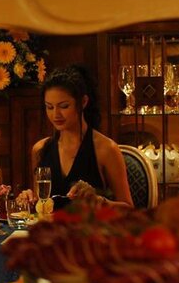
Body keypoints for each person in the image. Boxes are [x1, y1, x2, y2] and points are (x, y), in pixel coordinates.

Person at [23, 65, 133, 208]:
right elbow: (41, 204)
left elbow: (128, 209)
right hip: (51, 223)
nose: (55, 115)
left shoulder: (106, 149)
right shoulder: (40, 149)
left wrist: (99, 201)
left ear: (83, 102)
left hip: (91, 222)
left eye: (64, 106)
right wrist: (29, 199)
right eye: (49, 107)